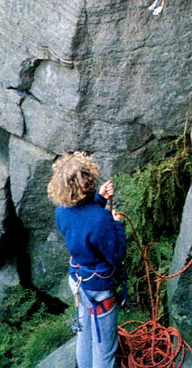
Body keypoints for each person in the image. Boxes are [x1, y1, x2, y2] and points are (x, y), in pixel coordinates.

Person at [48, 151, 127, 368]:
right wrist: (117, 224)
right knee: (105, 346)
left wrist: (99, 199)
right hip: (99, 287)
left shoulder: (61, 211)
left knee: (85, 333)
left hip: (78, 280)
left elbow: (83, 224)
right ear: (88, 180)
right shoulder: (101, 218)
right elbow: (116, 255)